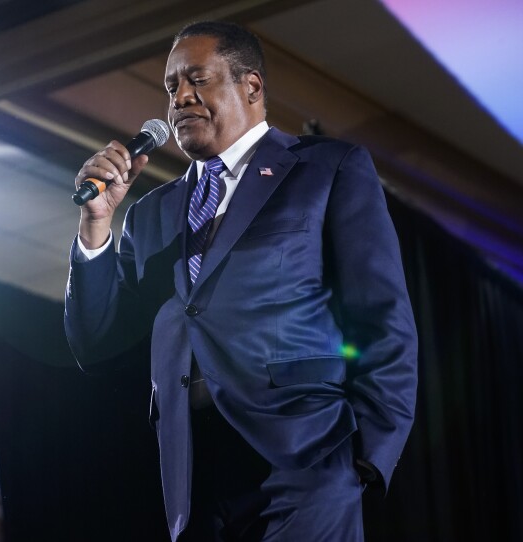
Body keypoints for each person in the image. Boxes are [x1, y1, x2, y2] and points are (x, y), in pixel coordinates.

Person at [64, 21, 418, 542]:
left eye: (197, 80)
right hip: (194, 475)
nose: (180, 97)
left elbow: (383, 317)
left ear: (251, 86)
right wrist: (96, 226)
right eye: (171, 88)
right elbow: (97, 346)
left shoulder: (325, 170)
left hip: (304, 458)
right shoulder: (148, 215)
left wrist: (364, 460)